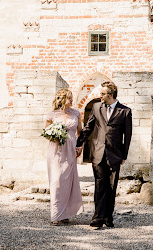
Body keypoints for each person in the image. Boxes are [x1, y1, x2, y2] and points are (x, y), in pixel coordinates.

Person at [76, 81, 132, 229]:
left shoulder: (125, 111)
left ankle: (108, 217)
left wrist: (124, 155)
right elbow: (88, 127)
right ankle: (97, 217)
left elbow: (128, 136)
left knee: (112, 187)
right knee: (100, 185)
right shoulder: (96, 107)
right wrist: (78, 143)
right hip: (98, 152)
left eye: (102, 93)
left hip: (115, 154)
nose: (99, 96)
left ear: (111, 95)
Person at [45, 89, 84, 226]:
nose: (72, 100)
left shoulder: (76, 114)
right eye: (69, 98)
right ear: (62, 99)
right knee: (57, 181)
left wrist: (80, 147)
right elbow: (46, 133)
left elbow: (80, 132)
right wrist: (54, 135)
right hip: (56, 150)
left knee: (68, 181)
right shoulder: (52, 115)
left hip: (71, 150)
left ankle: (65, 214)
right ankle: (56, 214)